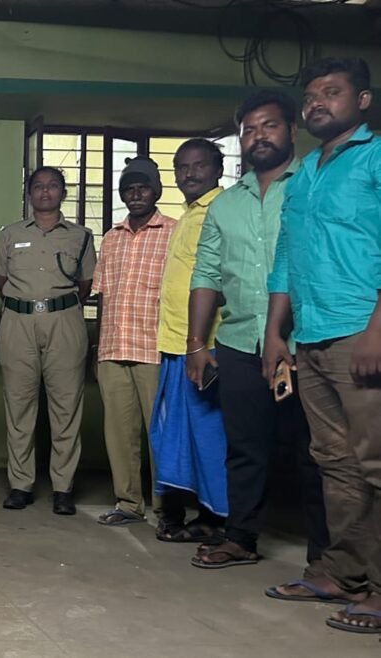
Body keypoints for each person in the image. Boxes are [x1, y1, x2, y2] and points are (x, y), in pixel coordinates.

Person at [187, 90, 330, 572]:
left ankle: (327, 556)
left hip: (306, 342)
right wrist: (197, 344)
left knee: (315, 452)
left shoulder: (313, 186)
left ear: (292, 130)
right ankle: (241, 537)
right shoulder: (226, 205)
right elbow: (206, 274)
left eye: (268, 126)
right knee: (245, 449)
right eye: (249, 129)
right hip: (239, 343)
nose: (258, 136)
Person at [262, 57, 381, 634]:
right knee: (335, 464)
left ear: (361, 100)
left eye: (330, 93)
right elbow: (286, 258)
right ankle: (344, 573)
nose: (316, 104)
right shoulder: (306, 171)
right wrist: (274, 334)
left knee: (376, 464)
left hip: (362, 331)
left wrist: (378, 329)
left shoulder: (377, 157)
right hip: (308, 336)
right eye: (310, 96)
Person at [0, 166, 95, 516]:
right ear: (29, 193)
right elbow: (0, 281)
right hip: (17, 321)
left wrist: (53, 305)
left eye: (53, 186)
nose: (45, 192)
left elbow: (85, 285)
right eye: (39, 186)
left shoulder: (80, 236)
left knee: (66, 407)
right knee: (19, 407)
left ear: (63, 192)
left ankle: (63, 488)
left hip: (64, 320)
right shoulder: (10, 234)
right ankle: (20, 485)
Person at [147, 139, 228, 543]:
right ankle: (196, 515)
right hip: (177, 344)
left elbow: (217, 280)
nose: (189, 174)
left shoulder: (221, 211)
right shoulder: (190, 216)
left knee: (209, 435)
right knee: (176, 433)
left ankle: (221, 520)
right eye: (182, 167)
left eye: (199, 166)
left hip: (203, 346)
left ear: (218, 168)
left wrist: (199, 344)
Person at [93, 156, 178, 526]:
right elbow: (102, 296)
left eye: (142, 187)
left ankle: (166, 508)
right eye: (129, 188)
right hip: (113, 347)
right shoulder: (111, 237)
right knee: (119, 432)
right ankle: (128, 503)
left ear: (156, 191)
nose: (136, 194)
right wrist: (95, 348)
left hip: (154, 349)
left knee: (159, 434)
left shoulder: (174, 232)